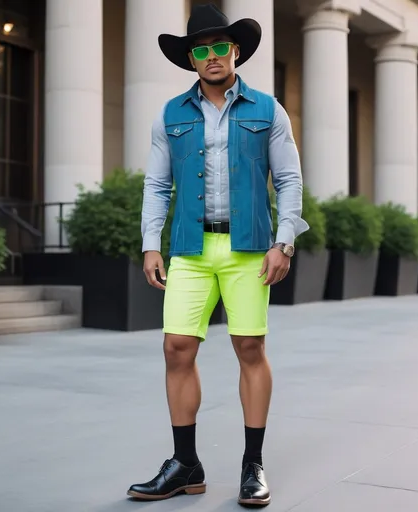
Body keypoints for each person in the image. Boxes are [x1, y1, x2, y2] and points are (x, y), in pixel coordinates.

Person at [127, 3, 309, 507]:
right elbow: (158, 185)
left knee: (249, 349)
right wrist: (150, 243)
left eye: (219, 47)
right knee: (176, 348)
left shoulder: (268, 110)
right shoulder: (169, 115)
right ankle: (186, 464)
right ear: (191, 59)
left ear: (235, 52)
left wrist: (284, 241)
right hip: (189, 248)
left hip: (249, 251)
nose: (210, 57)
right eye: (200, 50)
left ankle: (253, 464)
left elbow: (290, 180)